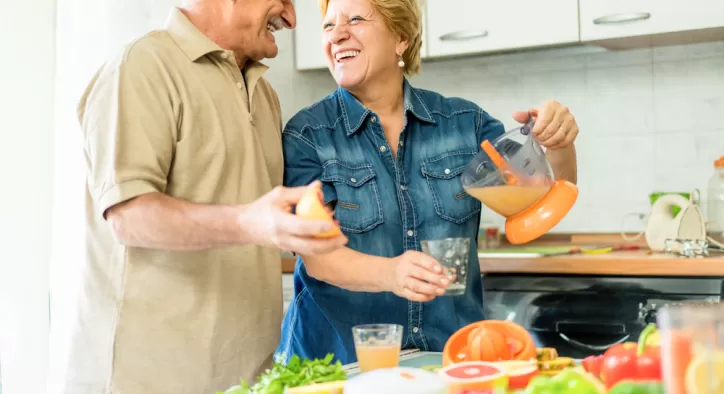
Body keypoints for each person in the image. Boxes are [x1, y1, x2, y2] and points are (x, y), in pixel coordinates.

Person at [64, 1, 349, 393]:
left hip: (245, 380)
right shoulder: (143, 67)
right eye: (283, 0)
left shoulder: (264, 95)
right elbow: (129, 216)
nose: (292, 18)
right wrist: (251, 223)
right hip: (148, 381)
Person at [275, 0, 579, 365]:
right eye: (328, 26)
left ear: (401, 37)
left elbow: (539, 204)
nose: (338, 34)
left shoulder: (465, 124)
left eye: (355, 19)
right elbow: (318, 257)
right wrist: (390, 273)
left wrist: (558, 144)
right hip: (340, 366)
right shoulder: (309, 135)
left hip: (449, 359)